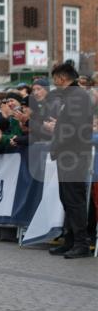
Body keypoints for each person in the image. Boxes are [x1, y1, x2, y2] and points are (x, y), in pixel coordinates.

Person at [45, 61, 95, 259]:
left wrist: (57, 132)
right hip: (68, 154)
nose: (55, 84)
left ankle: (81, 243)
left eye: (55, 80)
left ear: (61, 78)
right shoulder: (74, 96)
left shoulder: (78, 96)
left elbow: (76, 128)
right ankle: (71, 240)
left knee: (74, 199)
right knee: (67, 198)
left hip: (73, 154)